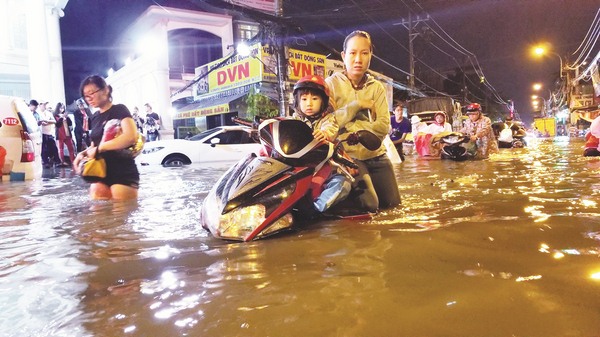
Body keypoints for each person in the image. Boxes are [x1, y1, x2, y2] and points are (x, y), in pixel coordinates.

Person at [325, 30, 400, 212]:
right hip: (348, 158)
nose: (358, 59)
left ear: (370, 56)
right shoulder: (330, 85)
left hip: (378, 156)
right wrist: (357, 105)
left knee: (394, 207)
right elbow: (329, 123)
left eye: (364, 53)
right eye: (352, 53)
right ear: (343, 56)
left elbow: (382, 127)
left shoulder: (377, 88)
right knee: (369, 206)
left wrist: (352, 128)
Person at [290, 75, 351, 213]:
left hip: (324, 166)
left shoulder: (329, 119)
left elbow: (330, 130)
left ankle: (316, 209)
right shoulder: (294, 120)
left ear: (323, 101)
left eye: (314, 99)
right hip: (298, 167)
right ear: (297, 102)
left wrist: (324, 134)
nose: (309, 104)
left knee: (343, 183)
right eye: (304, 99)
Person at [73, 75, 139, 200]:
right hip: (100, 172)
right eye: (86, 95)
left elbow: (131, 137)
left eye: (91, 93)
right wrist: (82, 154)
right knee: (99, 216)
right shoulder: (95, 117)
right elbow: (94, 145)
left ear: (105, 90)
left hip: (122, 171)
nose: (89, 98)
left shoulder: (119, 110)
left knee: (121, 215)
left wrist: (100, 149)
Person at [38, 101, 60, 168]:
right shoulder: (38, 113)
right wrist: (44, 122)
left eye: (45, 105)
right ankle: (45, 161)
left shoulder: (49, 113)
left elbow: (54, 121)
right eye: (44, 104)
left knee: (53, 147)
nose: (45, 106)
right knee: (44, 148)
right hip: (42, 133)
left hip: (49, 132)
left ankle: (57, 161)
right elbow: (39, 122)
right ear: (40, 105)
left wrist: (47, 121)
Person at [53, 102, 75, 166]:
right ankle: (62, 161)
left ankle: (73, 160)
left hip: (67, 133)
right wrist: (62, 118)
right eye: (60, 108)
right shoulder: (55, 116)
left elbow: (70, 124)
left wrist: (67, 118)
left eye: (63, 108)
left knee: (71, 148)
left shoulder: (66, 116)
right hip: (60, 134)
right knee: (61, 148)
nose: (62, 109)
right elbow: (57, 125)